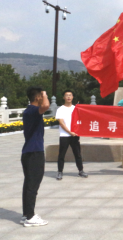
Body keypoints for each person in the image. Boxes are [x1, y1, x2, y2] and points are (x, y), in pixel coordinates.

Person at [21, 87, 50, 227]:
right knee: (33, 185)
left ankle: (26, 214)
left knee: (28, 184)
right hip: (34, 153)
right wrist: (44, 94)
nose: (44, 97)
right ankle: (30, 217)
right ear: (38, 97)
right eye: (42, 95)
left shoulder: (28, 111)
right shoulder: (33, 110)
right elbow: (46, 106)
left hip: (28, 152)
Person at [55, 90, 88, 181]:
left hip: (75, 135)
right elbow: (61, 123)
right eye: (66, 95)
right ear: (64, 97)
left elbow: (81, 120)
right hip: (64, 135)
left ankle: (81, 171)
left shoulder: (76, 108)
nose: (68, 97)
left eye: (70, 95)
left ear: (72, 97)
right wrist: (70, 132)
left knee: (77, 154)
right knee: (62, 155)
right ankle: (60, 172)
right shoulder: (60, 109)